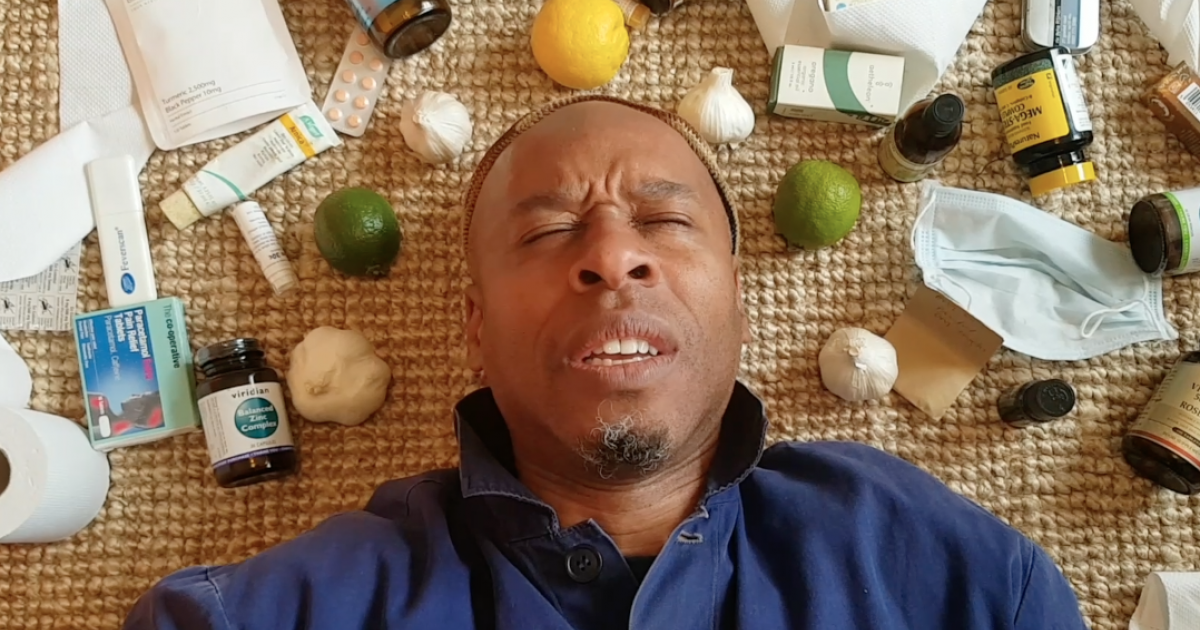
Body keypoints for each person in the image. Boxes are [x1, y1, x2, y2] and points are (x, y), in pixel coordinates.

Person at [123, 95, 1090, 629]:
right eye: (549, 231)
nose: (614, 255)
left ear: (740, 305)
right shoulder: (316, 606)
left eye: (664, 220)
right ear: (475, 329)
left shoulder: (919, 556)